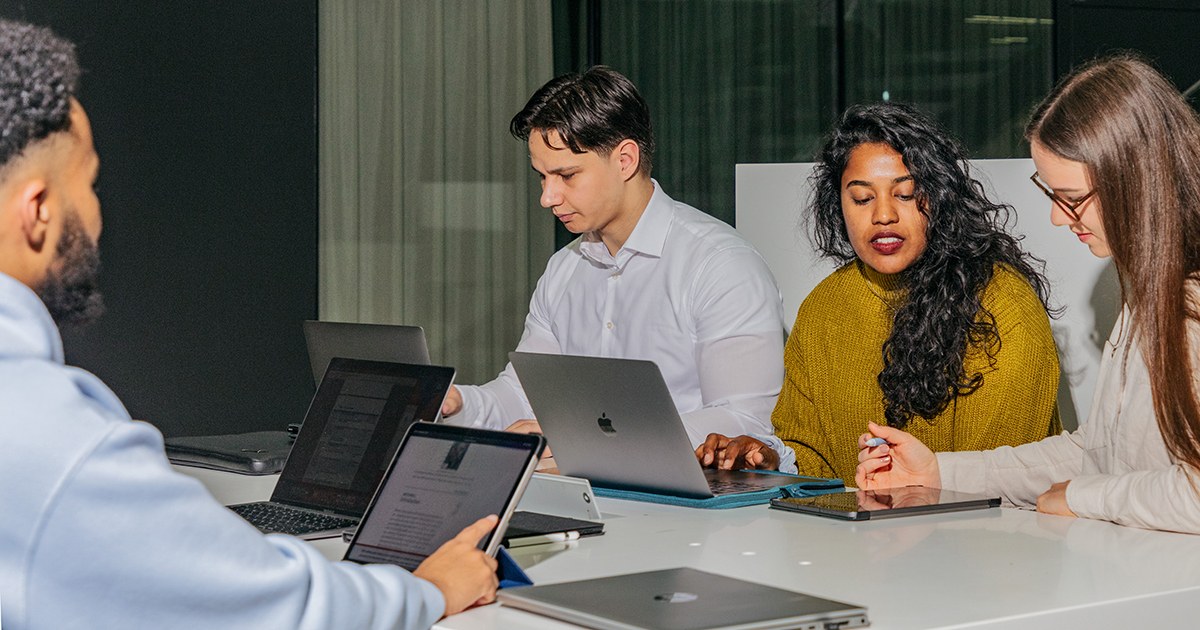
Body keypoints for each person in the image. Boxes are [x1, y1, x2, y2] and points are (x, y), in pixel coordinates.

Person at [0, 20, 497, 629]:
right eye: (90, 182)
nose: (98, 212)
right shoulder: (55, 442)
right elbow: (270, 607)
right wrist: (428, 591)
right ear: (39, 210)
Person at [856, 55, 1200, 535]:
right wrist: (938, 473)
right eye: (1052, 196)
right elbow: (1098, 452)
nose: (1059, 217)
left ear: (1138, 180)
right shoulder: (1151, 293)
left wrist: (1082, 497)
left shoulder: (1189, 305)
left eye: (1072, 199)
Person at [696, 102, 1061, 485]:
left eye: (905, 194)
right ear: (838, 205)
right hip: (852, 524)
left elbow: (994, 481)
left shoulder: (1004, 304)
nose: (883, 215)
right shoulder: (823, 306)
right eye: (862, 198)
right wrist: (768, 460)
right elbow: (812, 458)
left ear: (940, 198)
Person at [440, 66, 786, 446]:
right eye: (542, 176)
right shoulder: (563, 269)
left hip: (692, 485)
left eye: (566, 176)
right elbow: (524, 396)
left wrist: (580, 438)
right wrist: (457, 405)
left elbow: (744, 420)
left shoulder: (720, 265)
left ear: (625, 160)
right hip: (580, 480)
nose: (547, 197)